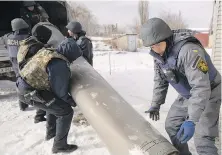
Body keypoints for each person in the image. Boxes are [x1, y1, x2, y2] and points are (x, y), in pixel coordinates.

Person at [141, 18, 221, 155]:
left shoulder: (189, 51)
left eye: (158, 45)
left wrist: (191, 120)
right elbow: (160, 80)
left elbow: (201, 88)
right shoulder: (159, 54)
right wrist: (156, 104)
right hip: (189, 93)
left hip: (209, 91)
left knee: (203, 139)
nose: (156, 50)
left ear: (167, 38)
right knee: (172, 126)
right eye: (152, 47)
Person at [17, 25, 82, 153]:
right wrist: (71, 101)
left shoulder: (50, 53)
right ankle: (60, 145)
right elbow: (61, 92)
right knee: (65, 111)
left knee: (54, 103)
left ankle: (51, 134)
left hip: (24, 86)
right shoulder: (59, 64)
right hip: (29, 92)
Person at [3, 18, 46, 123]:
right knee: (37, 86)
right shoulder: (29, 38)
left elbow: (5, 45)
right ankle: (39, 111)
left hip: (15, 66)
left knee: (19, 83)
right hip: (27, 68)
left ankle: (22, 105)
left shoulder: (7, 37)